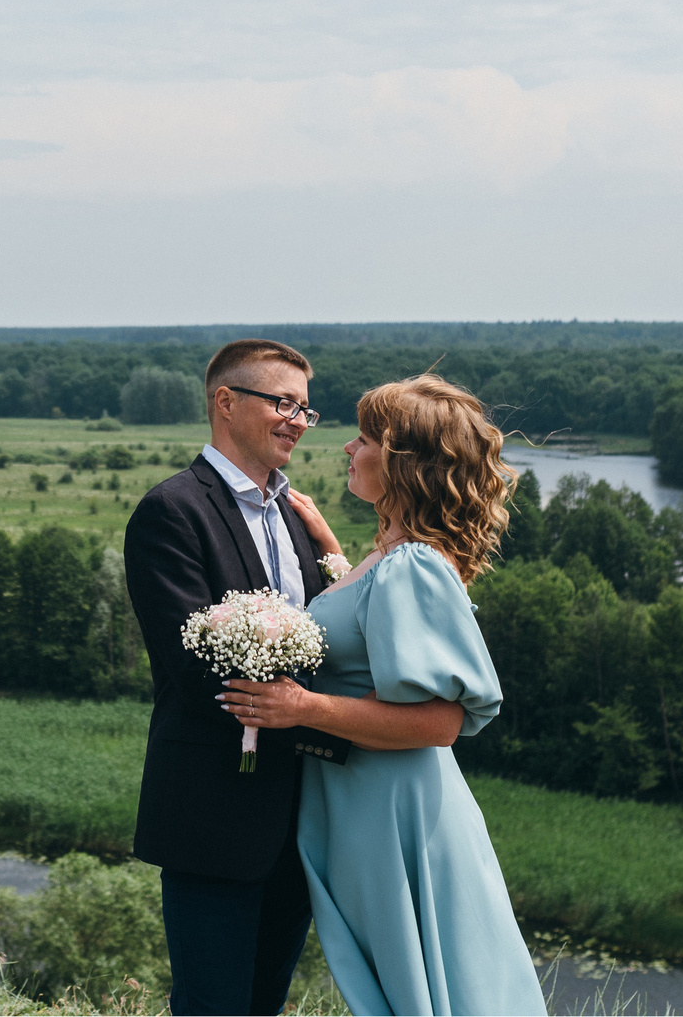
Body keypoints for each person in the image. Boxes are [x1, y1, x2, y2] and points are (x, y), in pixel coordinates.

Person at [219, 373, 549, 1017]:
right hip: (365, 800)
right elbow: (370, 632)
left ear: (405, 464)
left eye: (366, 439)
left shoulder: (413, 565)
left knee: (424, 985)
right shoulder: (391, 558)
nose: (349, 448)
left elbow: (440, 721)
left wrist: (303, 707)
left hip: (395, 810)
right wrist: (332, 556)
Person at [124, 338, 348, 1016]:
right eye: (283, 403)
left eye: (305, 409)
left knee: (263, 1005)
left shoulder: (294, 513)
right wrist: (308, 705)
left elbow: (327, 639)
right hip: (213, 814)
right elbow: (194, 667)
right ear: (226, 401)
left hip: (300, 819)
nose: (298, 421)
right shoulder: (172, 510)